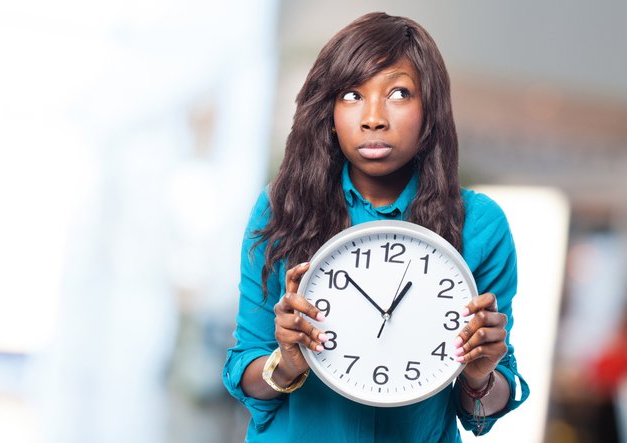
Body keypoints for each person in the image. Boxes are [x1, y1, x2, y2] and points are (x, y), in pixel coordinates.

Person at [223, 12, 529, 442]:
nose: (373, 118)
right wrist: (287, 363)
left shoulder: (479, 225)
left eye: (399, 94)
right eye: (352, 94)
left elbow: (482, 408)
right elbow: (245, 370)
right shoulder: (281, 208)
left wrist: (480, 376)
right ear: (328, 111)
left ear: (431, 111)